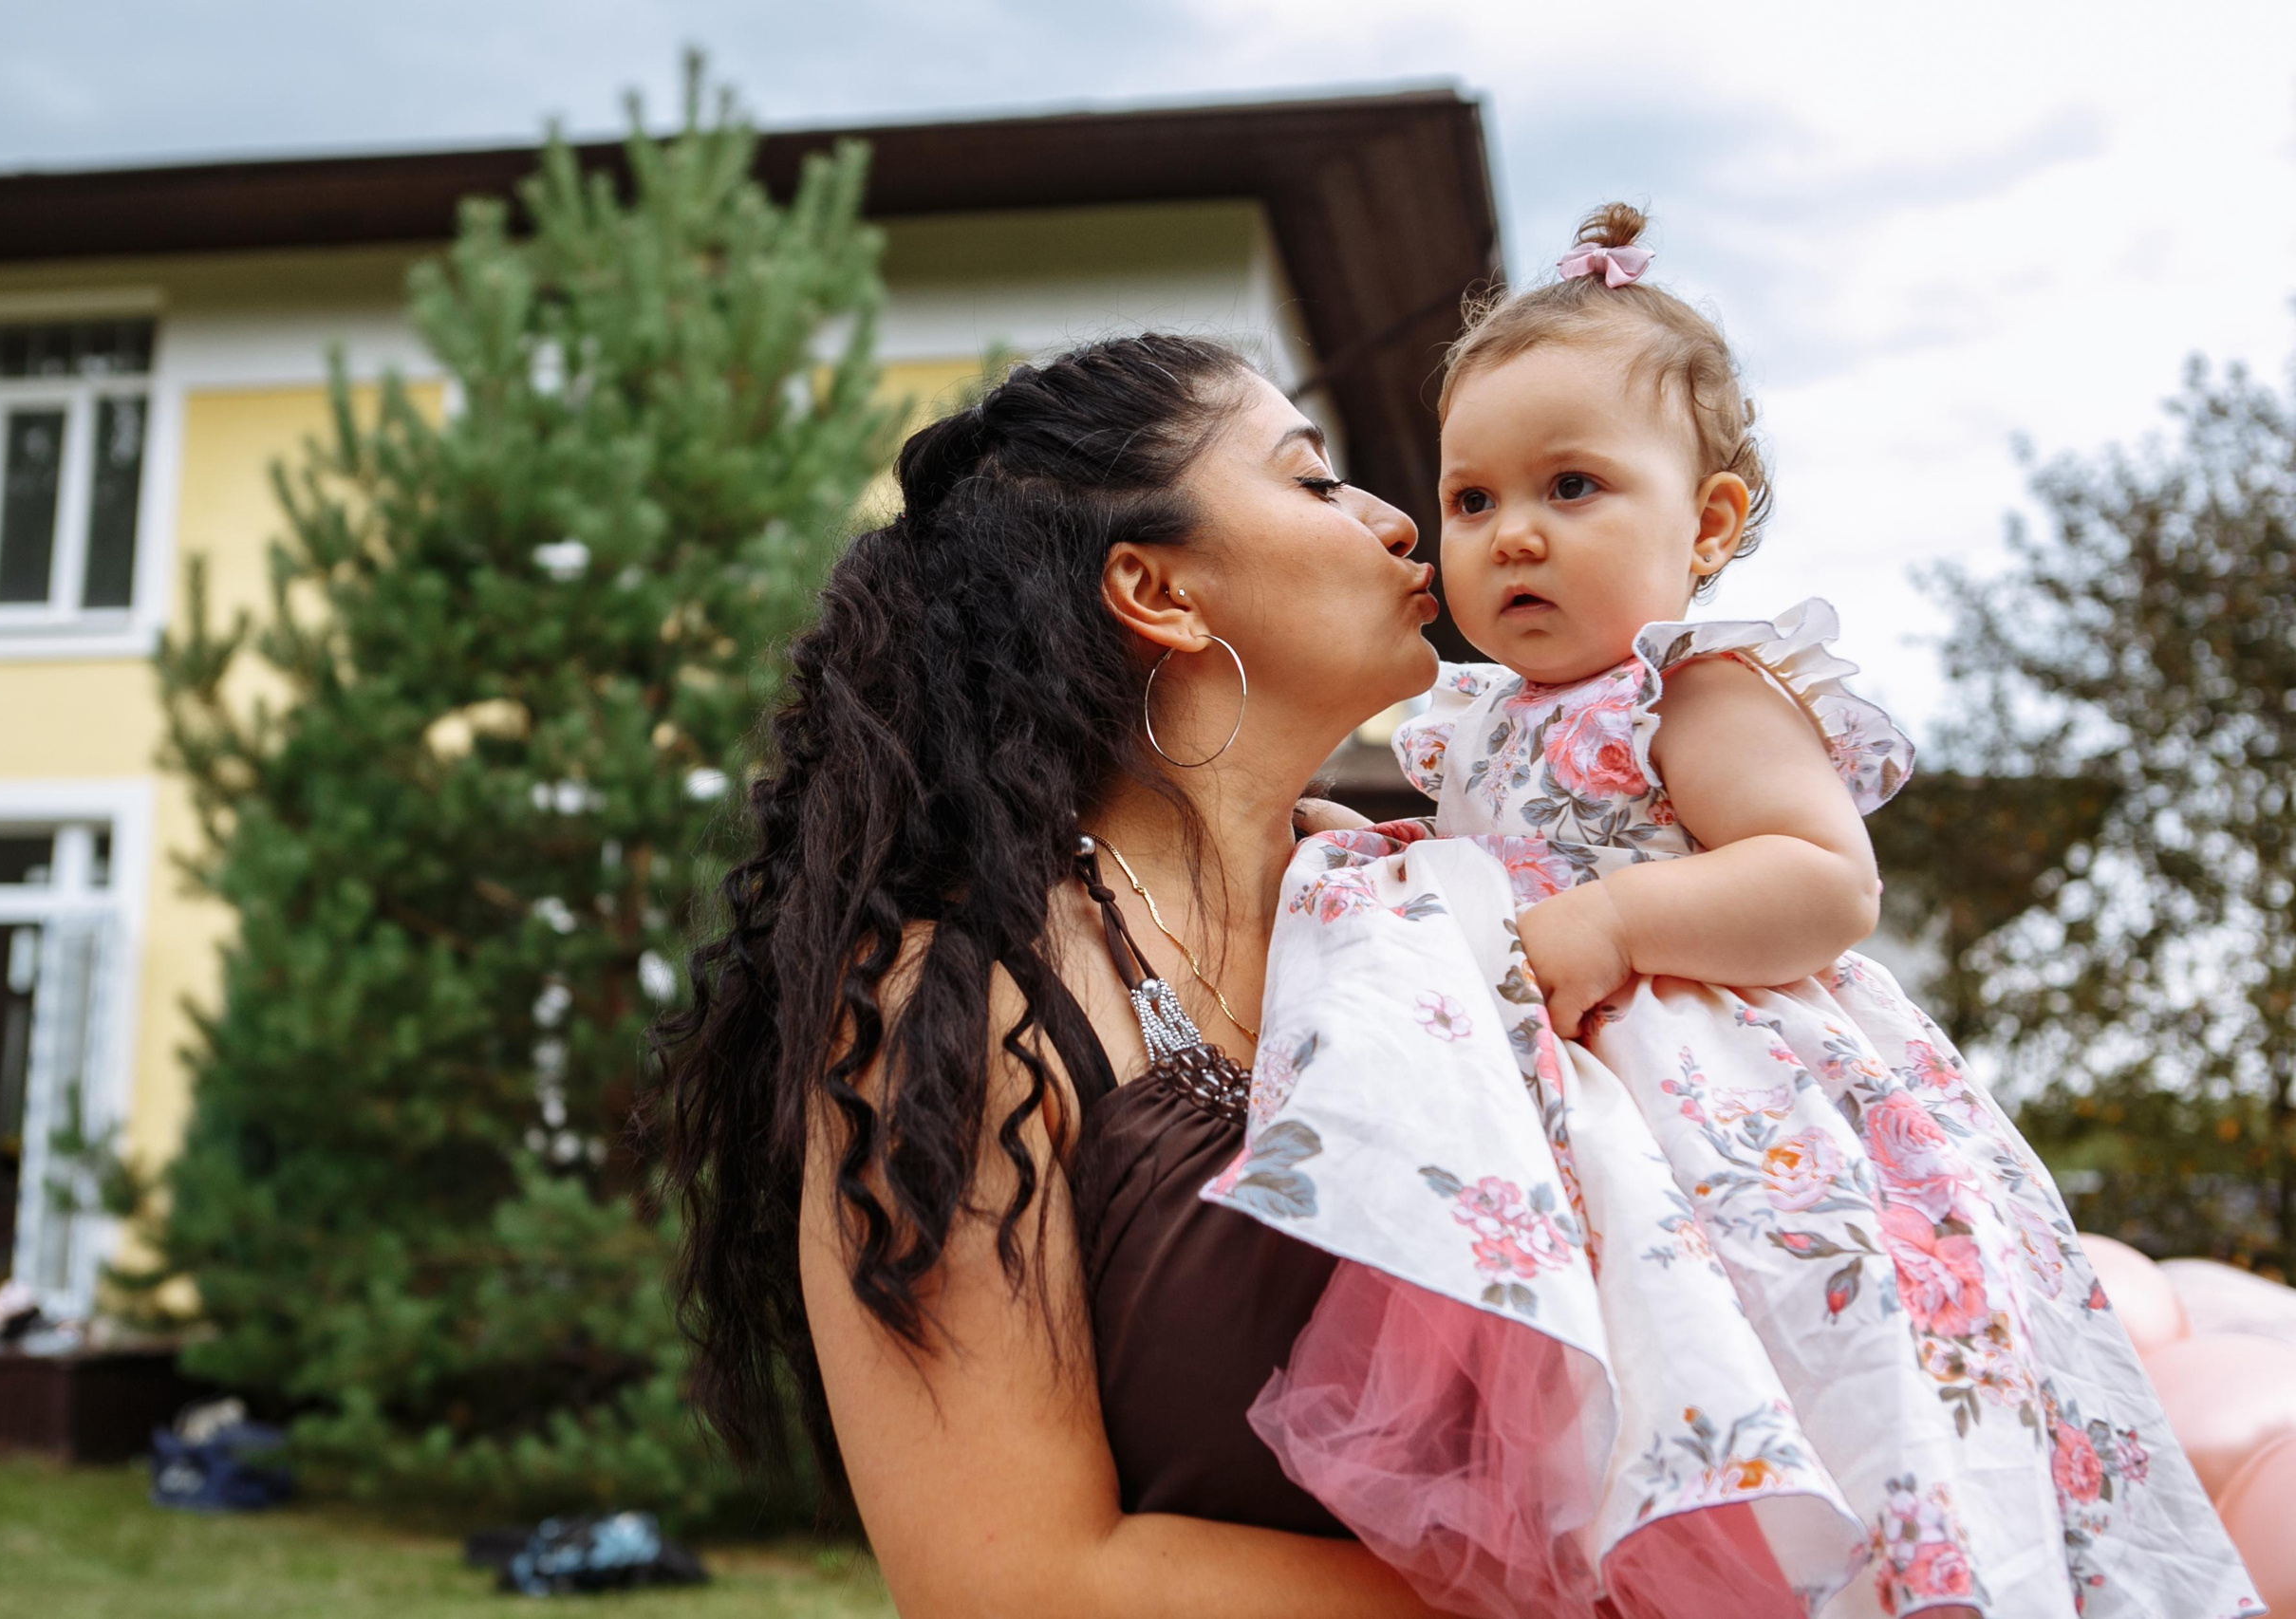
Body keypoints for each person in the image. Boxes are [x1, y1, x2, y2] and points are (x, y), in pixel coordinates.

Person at [1211, 206, 2261, 1619]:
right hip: (1619, 1154)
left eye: (1572, 487)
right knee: (1660, 1394)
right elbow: (1491, 876)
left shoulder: (1693, 688)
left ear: (1704, 526)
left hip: (1768, 1129)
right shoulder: (1474, 725)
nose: (1513, 533)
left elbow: (1827, 882)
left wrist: (1628, 918)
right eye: (1473, 501)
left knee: (1836, 1374)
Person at [650, 333, 1463, 1616]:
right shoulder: (957, 1007)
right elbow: (1013, 1581)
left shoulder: (1437, 905)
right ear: (1161, 591)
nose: (1399, 520)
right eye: (1314, 483)